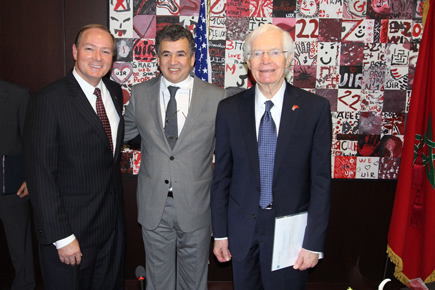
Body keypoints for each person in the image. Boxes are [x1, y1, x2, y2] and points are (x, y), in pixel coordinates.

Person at [211, 24, 331, 290]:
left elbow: (320, 183)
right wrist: (220, 234)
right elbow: (222, 177)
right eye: (257, 53)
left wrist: (313, 243)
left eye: (274, 52)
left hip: (291, 237)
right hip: (242, 232)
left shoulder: (315, 109)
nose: (265, 60)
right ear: (247, 62)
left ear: (288, 59)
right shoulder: (229, 110)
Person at [124, 24, 227, 290]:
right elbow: (128, 133)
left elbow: (225, 150)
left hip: (197, 205)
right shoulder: (139, 94)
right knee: (158, 281)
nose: (173, 62)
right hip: (153, 205)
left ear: (192, 58)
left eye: (180, 54)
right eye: (166, 54)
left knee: (194, 281)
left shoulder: (217, 98)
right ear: (157, 58)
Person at [23, 24, 125, 290]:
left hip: (111, 231)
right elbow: (40, 174)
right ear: (75, 51)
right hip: (71, 235)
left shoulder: (114, 93)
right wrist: (61, 237)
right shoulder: (48, 99)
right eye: (90, 49)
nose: (97, 57)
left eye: (106, 52)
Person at [0, 79, 35, 290]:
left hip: (11, 187)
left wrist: (30, 178)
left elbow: (32, 141)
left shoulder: (18, 95)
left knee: (20, 250)